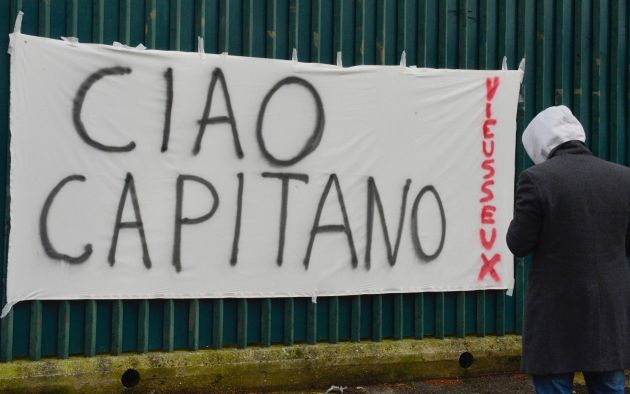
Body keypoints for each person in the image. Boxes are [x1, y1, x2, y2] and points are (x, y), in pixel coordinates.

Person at [507, 105, 630, 394]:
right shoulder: (623, 177)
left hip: (554, 312)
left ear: (538, 143)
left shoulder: (536, 179)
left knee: (554, 386)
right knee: (610, 386)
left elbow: (518, 244)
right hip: (607, 312)